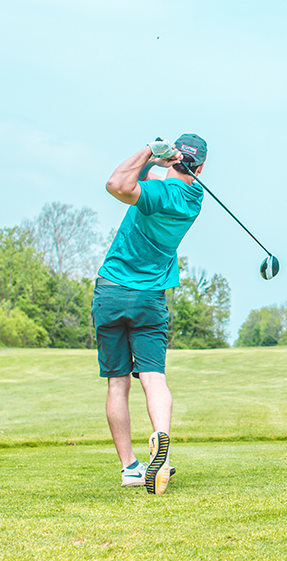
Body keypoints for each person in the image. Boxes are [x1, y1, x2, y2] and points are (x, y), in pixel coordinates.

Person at [92, 133, 206, 495]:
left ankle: (129, 467)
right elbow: (149, 182)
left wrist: (148, 152)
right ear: (200, 167)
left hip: (110, 292)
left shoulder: (156, 194)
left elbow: (117, 184)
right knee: (154, 376)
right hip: (149, 301)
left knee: (118, 382)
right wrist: (161, 163)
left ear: (175, 159)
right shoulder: (193, 199)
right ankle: (162, 450)